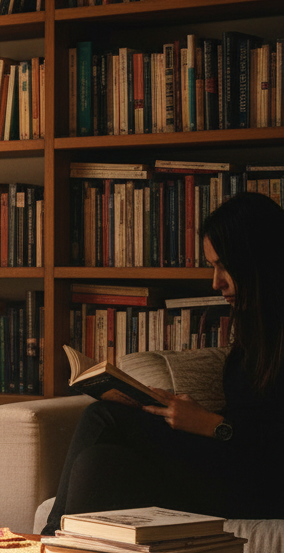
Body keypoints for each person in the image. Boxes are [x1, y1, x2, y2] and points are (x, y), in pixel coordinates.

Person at [42, 192, 284, 535]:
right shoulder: (256, 328)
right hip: (232, 463)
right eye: (212, 267)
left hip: (265, 486)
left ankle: (44, 545)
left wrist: (214, 425)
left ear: (256, 260)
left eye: (224, 266)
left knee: (102, 417)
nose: (217, 283)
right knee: (100, 462)